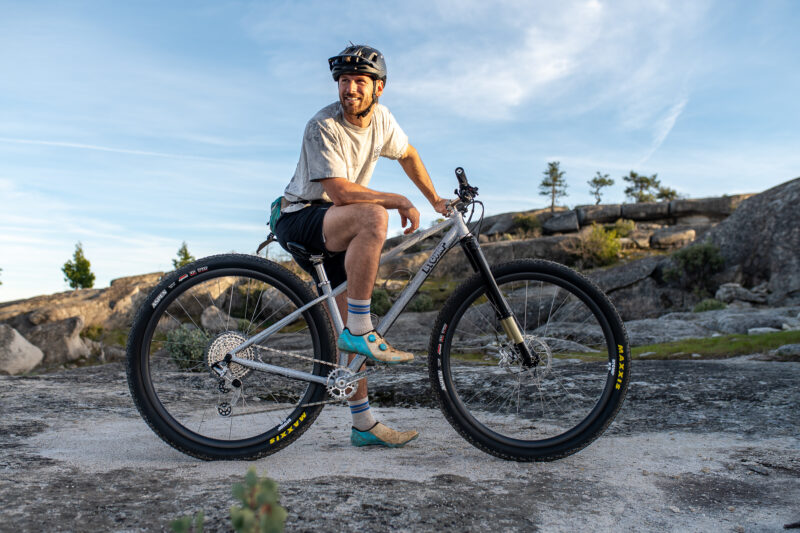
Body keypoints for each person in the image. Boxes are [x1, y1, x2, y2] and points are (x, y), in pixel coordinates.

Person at [273, 44, 449, 448]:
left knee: (349, 324)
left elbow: (408, 154)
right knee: (373, 216)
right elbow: (339, 193)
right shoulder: (322, 125)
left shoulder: (382, 120)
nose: (349, 88)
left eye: (359, 81)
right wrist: (398, 199)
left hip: (337, 225)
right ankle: (361, 328)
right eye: (343, 81)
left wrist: (434, 199)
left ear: (378, 88)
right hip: (302, 216)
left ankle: (363, 425)